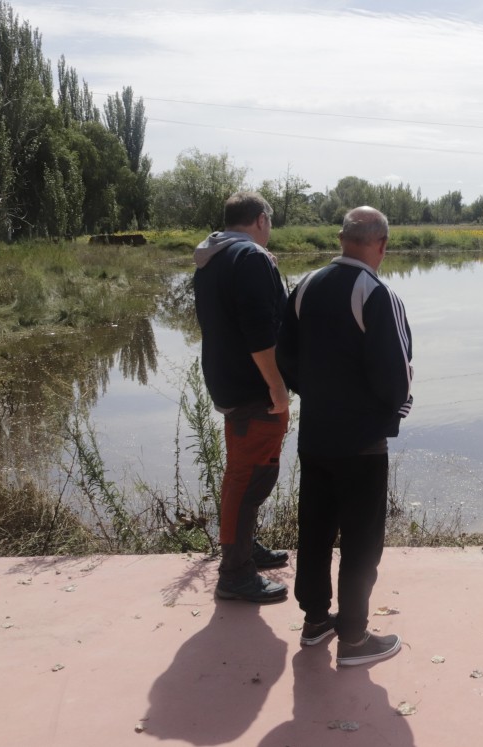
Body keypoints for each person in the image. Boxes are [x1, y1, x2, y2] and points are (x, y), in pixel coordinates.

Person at [276, 205, 412, 666]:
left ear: (341, 238)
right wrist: (390, 413)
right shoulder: (375, 293)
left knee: (314, 528)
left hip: (314, 435)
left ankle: (316, 621)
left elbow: (284, 355)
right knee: (361, 539)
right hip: (361, 443)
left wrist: (314, 392)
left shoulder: (306, 285)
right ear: (382, 245)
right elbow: (398, 375)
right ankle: (354, 638)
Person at [193, 191, 290, 604]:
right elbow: (258, 331)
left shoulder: (213, 258)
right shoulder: (249, 258)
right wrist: (277, 385)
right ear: (261, 220)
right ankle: (235, 572)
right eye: (269, 221)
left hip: (229, 379)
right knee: (248, 478)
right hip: (253, 387)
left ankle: (245, 549)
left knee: (246, 474)